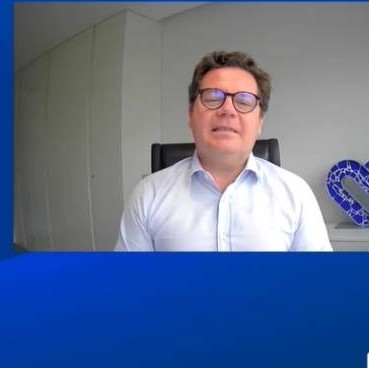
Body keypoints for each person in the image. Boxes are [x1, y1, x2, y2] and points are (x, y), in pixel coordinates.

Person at [115, 51, 332, 251]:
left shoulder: (296, 194)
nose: (227, 109)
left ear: (260, 121)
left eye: (244, 101)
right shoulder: (148, 195)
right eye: (212, 98)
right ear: (191, 114)